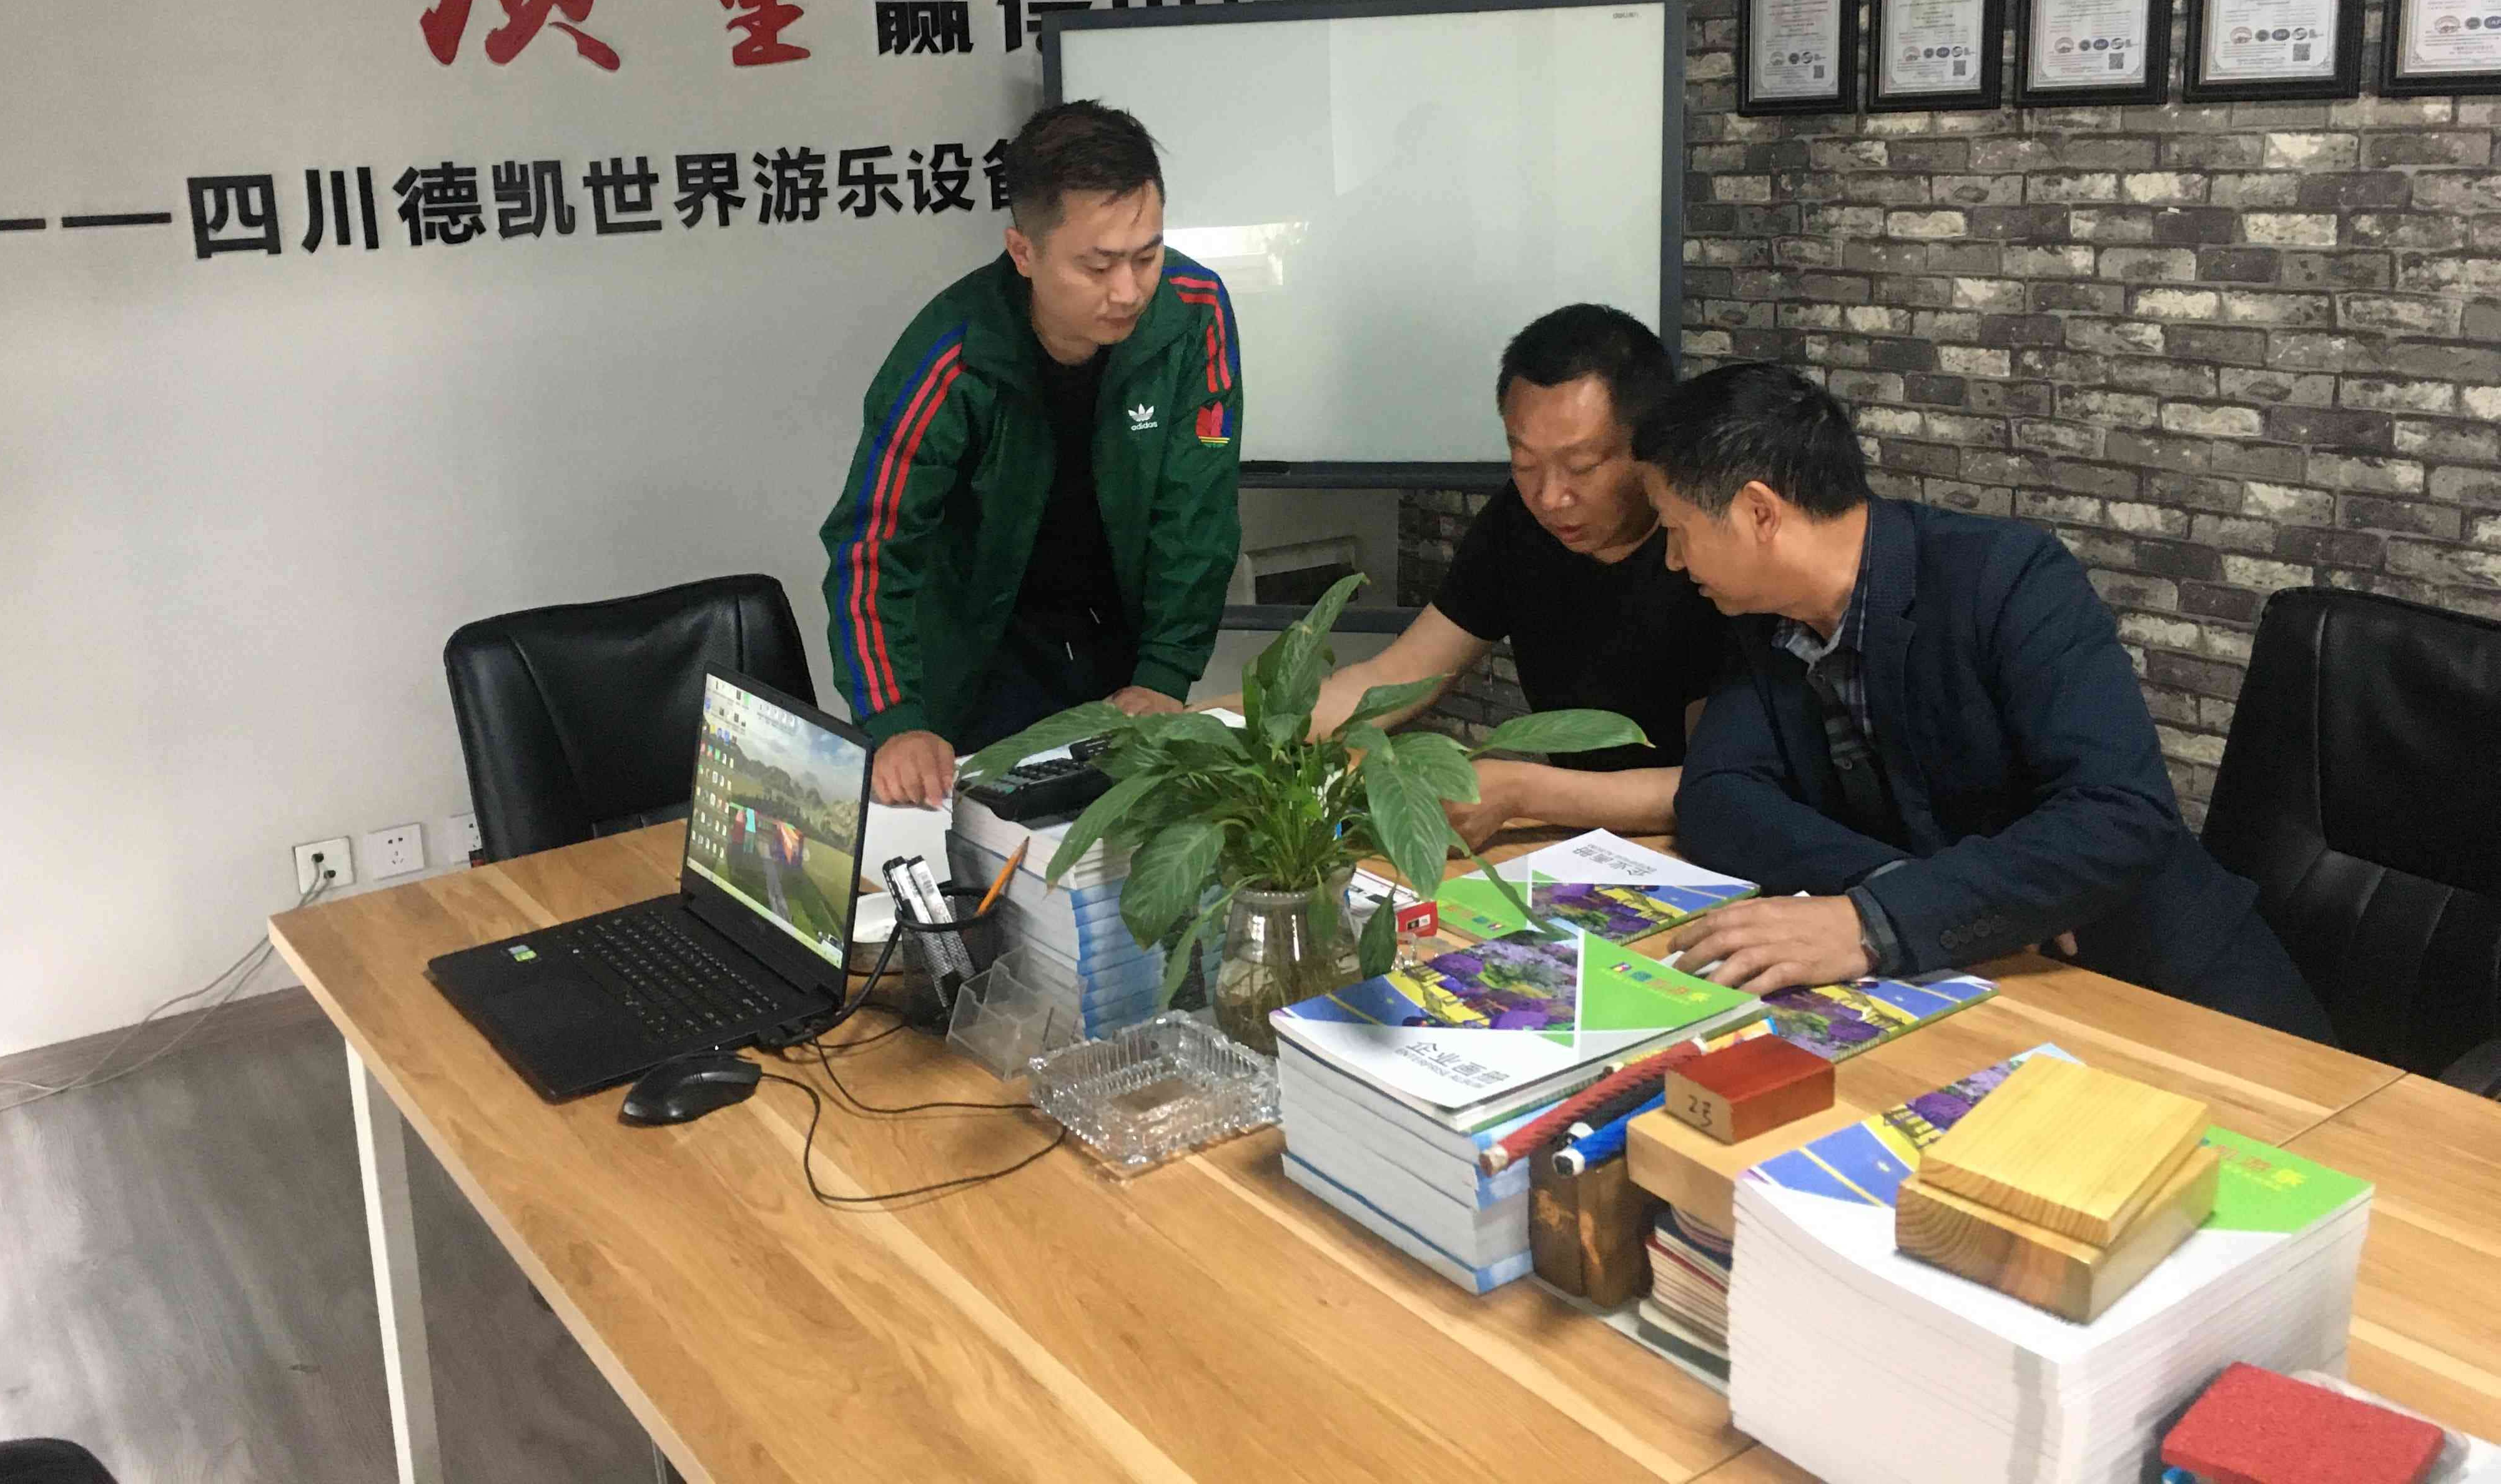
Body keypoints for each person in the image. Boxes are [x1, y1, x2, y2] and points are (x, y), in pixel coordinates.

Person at [1640, 361, 2332, 1040]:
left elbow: (2121, 813)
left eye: (1677, 529)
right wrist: (1900, 895)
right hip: (1980, 987)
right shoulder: (1763, 617)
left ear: (1759, 512)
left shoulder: (2008, 576)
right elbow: (1717, 797)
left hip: (2164, 983)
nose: (1673, 560)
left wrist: (1875, 921)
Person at [821, 101, 1242, 807]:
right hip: (981, 652)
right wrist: (896, 720)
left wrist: (1166, 672)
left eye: (1147, 256)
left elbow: (1197, 508)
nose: (1129, 291)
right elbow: (871, 546)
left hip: (1120, 644)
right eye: (1098, 266)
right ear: (1024, 253)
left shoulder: (1194, 310)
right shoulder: (950, 355)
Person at [1310, 305, 1727, 845]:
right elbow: (1397, 676)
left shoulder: (1709, 556)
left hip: (1690, 853)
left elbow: (1717, 784)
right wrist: (1229, 723)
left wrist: (1519, 790)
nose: (1550, 498)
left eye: (1581, 467)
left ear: (1650, 446)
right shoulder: (1519, 523)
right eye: (1525, 463)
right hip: (1572, 841)